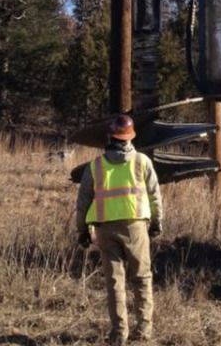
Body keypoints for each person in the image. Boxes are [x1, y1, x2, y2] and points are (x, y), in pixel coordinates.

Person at [76, 114, 162, 345]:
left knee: (115, 283)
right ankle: (143, 331)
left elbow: (83, 202)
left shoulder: (95, 166)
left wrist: (82, 231)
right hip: (135, 228)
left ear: (110, 137)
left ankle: (118, 334)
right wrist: (157, 223)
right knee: (142, 279)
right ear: (130, 137)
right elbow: (155, 197)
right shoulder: (142, 162)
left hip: (105, 229)